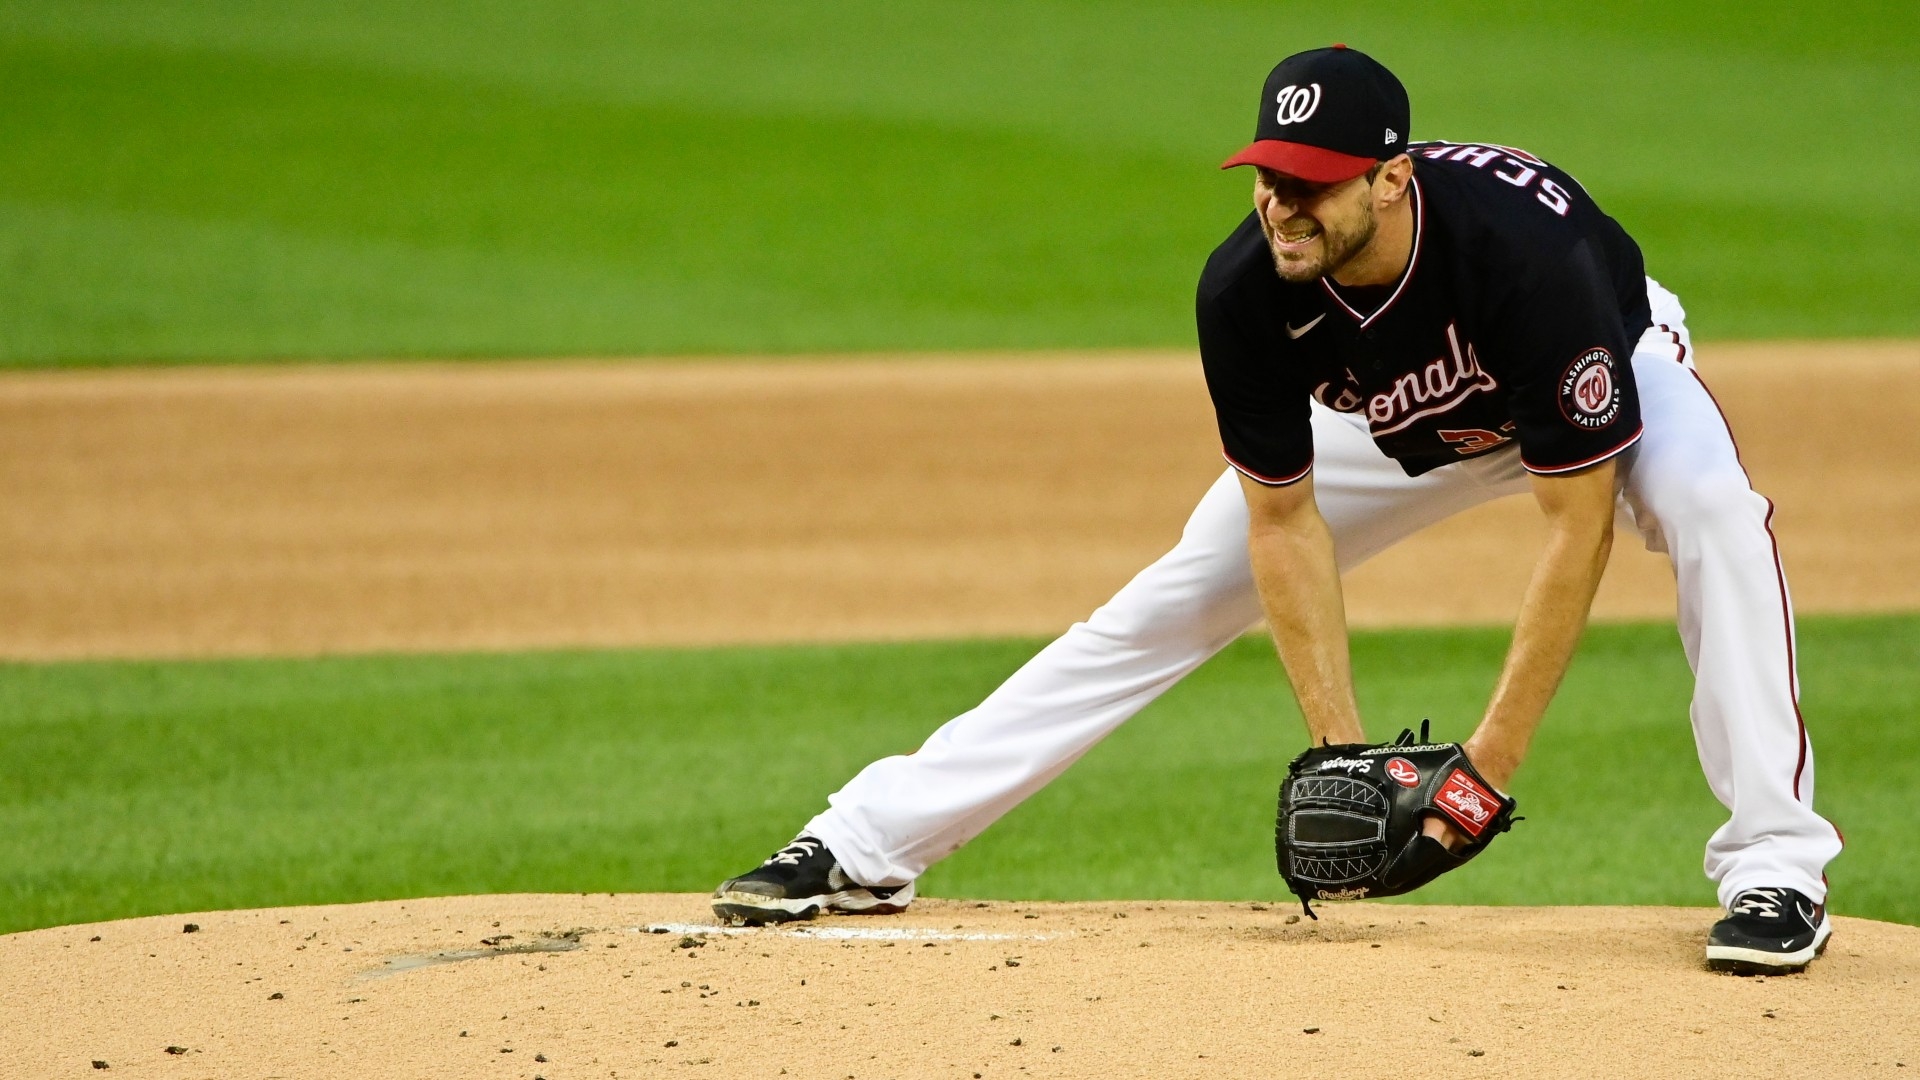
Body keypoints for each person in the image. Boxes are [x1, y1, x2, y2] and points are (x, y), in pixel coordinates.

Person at [711, 45, 1842, 974]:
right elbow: (1283, 524)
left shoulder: (1525, 257)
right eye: (1270, 173)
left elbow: (1575, 523)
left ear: (1391, 179)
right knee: (1176, 595)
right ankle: (864, 841)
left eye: (1312, 181)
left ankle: (1775, 869)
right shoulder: (1246, 290)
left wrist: (1488, 768)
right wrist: (1341, 750)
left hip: (1593, 372)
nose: (1280, 202)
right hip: (1396, 424)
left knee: (1713, 513)